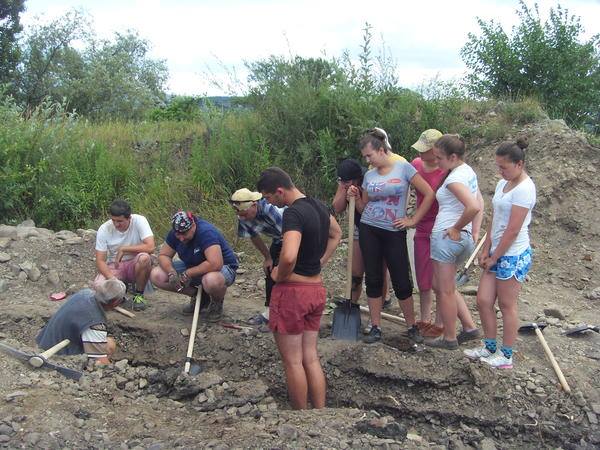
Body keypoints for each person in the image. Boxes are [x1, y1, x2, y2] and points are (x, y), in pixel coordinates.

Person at [257, 167, 342, 410]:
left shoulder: (293, 214)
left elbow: (288, 255)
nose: (268, 202)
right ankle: (319, 412)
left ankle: (301, 417)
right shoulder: (318, 206)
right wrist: (319, 263)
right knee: (310, 357)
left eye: (268, 197)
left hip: (293, 293)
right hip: (315, 290)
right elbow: (336, 235)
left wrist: (278, 275)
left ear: (280, 191)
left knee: (293, 361)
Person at [352, 127, 435, 344]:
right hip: (370, 228)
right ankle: (376, 326)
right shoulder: (369, 175)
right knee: (374, 278)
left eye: (369, 155)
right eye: (365, 157)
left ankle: (411, 326)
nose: (368, 161)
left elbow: (428, 193)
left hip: (393, 231)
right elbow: (363, 207)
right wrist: (355, 196)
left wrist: (413, 220)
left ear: (381, 150)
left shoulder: (404, 168)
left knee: (401, 280)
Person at [464, 138, 535, 368]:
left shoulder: (525, 189)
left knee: (506, 305)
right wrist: (486, 249)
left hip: (512, 253)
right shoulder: (502, 184)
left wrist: (495, 257)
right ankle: (489, 346)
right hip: (495, 249)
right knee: (483, 300)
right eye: (498, 166)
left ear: (519, 164)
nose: (500, 171)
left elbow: (513, 229)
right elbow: (495, 219)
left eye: (504, 167)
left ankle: (506, 355)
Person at [425, 134, 483, 350]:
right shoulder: (468, 172)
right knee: (441, 285)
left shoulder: (454, 179)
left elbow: (473, 206)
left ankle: (449, 338)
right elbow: (479, 202)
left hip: (447, 239)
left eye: (439, 158)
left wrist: (457, 227)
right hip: (461, 240)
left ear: (453, 156)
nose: (436, 162)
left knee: (445, 290)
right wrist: (473, 231)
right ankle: (469, 327)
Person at [150, 211, 238, 322]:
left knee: (211, 281)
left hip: (223, 268)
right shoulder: (176, 232)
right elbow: (164, 255)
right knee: (157, 275)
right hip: (193, 265)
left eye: (184, 234)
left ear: (193, 226)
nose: (181, 238)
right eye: (178, 234)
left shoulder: (206, 232)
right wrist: (171, 272)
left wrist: (188, 273)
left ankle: (216, 302)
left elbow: (215, 263)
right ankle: (199, 297)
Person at [36, 279, 126, 366]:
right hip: (56, 357)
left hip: (44, 341)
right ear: (115, 303)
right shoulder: (94, 321)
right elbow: (100, 362)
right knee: (109, 346)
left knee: (107, 343)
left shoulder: (85, 293)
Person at [230, 188, 284, 328]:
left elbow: (289, 234)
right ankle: (270, 312)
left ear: (254, 205)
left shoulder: (269, 210)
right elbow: (253, 236)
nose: (242, 217)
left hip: (295, 236)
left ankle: (287, 315)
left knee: (284, 274)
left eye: (245, 214)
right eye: (239, 214)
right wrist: (268, 258)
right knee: (270, 270)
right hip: (278, 239)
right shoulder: (242, 215)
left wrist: (282, 263)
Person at [410, 129, 446, 338]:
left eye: (425, 150)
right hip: (423, 227)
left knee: (440, 279)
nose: (421, 154)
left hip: (441, 227)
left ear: (436, 150)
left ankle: (440, 323)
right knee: (423, 276)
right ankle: (425, 318)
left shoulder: (447, 171)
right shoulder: (415, 165)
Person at [94, 199, 155, 311]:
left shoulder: (139, 221)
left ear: (129, 218)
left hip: (135, 263)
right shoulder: (104, 229)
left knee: (145, 258)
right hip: (116, 266)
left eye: (120, 221)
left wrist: (124, 249)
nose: (116, 224)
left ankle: (139, 295)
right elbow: (100, 261)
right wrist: (112, 280)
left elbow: (150, 247)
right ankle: (120, 293)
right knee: (99, 286)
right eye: (113, 220)